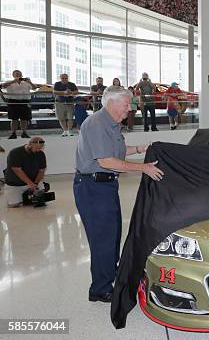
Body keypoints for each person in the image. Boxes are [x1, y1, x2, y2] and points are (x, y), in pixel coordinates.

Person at [74, 86, 164, 303]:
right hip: (92, 188)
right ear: (111, 103)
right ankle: (100, 289)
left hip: (105, 186)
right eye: (126, 104)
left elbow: (118, 151)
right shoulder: (97, 123)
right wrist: (143, 168)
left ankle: (109, 276)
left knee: (112, 236)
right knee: (103, 239)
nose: (129, 108)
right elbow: (106, 161)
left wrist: (142, 148)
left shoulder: (111, 125)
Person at [4, 137, 47, 208]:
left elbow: (42, 170)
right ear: (30, 145)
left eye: (40, 149)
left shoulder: (41, 154)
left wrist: (35, 184)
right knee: (13, 205)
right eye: (36, 148)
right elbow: (17, 170)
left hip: (33, 183)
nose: (38, 150)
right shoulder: (15, 152)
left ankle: (27, 197)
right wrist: (30, 183)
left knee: (39, 200)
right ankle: (21, 198)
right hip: (15, 184)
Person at [1, 70, 35, 139]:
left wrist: (30, 82)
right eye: (16, 74)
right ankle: (13, 133)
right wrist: (14, 81)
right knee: (14, 119)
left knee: (24, 119)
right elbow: (3, 86)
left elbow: (34, 88)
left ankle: (24, 133)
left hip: (25, 101)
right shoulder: (9, 82)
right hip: (13, 102)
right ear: (13, 75)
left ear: (22, 75)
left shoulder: (26, 82)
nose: (18, 76)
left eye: (19, 74)